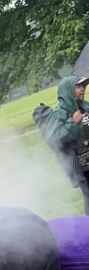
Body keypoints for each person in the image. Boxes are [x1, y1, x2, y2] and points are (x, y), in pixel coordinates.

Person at [41, 76, 89, 213]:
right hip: (80, 166)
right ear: (68, 90)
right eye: (78, 86)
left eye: (83, 86)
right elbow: (54, 140)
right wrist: (72, 123)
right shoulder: (58, 114)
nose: (83, 89)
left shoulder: (85, 106)